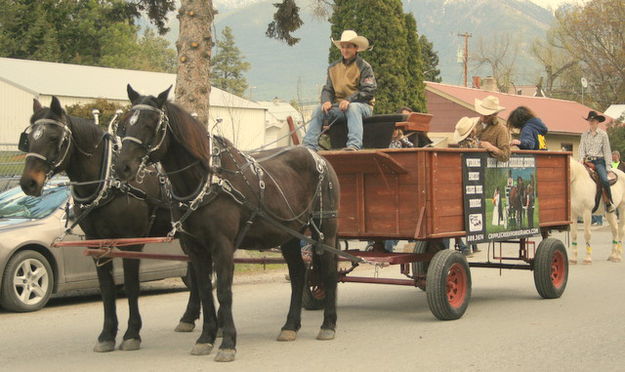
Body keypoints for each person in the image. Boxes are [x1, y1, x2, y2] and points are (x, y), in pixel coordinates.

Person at [303, 30, 377, 151]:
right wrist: (326, 101)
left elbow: (369, 90)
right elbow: (328, 89)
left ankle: (354, 145)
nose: (345, 50)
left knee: (353, 108)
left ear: (356, 48)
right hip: (340, 108)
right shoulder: (332, 67)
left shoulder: (364, 67)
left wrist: (349, 100)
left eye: (348, 47)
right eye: (342, 47)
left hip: (362, 107)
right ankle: (309, 145)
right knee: (318, 110)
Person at [579, 110, 615, 213]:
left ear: (597, 122)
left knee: (604, 179)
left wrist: (608, 168)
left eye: (593, 120)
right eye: (590, 120)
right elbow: (581, 149)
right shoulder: (584, 135)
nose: (591, 122)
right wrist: (581, 160)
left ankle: (609, 202)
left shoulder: (603, 135)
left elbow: (607, 151)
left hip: (599, 162)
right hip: (587, 161)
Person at [474, 95, 511, 162]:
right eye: (482, 112)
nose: (484, 116)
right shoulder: (473, 124)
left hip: (489, 169)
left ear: (495, 114)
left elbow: (506, 156)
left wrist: (492, 148)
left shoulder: (501, 129)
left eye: (487, 114)